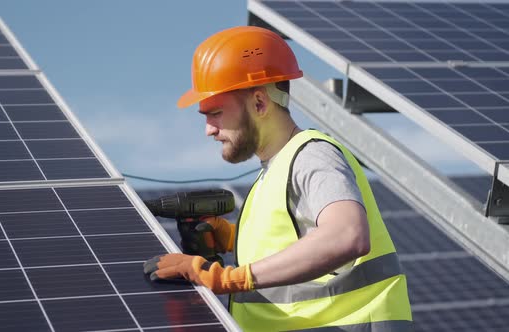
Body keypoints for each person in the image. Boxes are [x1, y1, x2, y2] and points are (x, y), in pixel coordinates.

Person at [144, 26, 412, 331]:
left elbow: (348, 234)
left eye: (215, 112)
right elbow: (300, 235)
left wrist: (230, 277)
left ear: (259, 103)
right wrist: (233, 238)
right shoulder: (274, 172)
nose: (209, 129)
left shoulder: (313, 156)